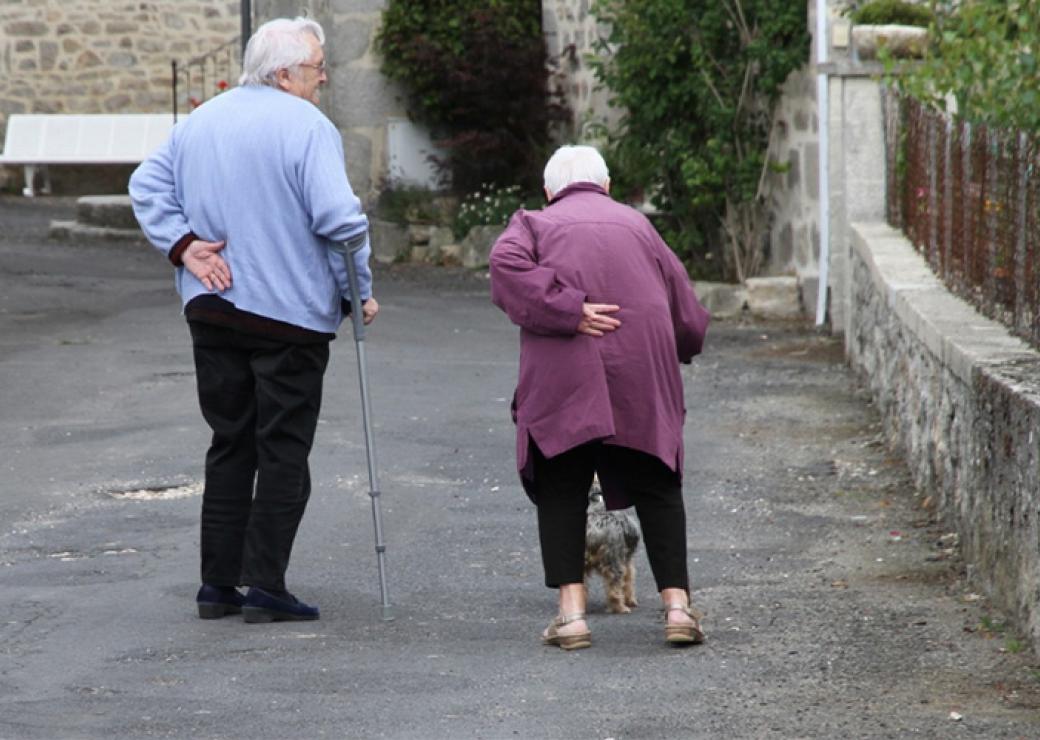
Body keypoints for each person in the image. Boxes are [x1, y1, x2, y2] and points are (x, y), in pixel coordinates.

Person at [129, 17, 378, 623]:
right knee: (284, 449)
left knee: (231, 442)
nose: (323, 78)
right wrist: (357, 293)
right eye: (318, 67)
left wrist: (185, 245)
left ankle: (218, 585)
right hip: (288, 315)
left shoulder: (203, 119)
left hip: (212, 307)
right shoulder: (309, 127)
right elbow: (341, 223)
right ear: (286, 73)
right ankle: (266, 585)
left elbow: (145, 185)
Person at [488, 145, 710, 649]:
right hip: (641, 369)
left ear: (550, 191)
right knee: (656, 481)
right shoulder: (638, 226)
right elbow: (687, 309)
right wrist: (683, 345)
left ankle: (572, 617)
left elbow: (504, 265)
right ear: (606, 185)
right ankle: (677, 609)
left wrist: (567, 309)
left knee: (562, 482)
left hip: (566, 372)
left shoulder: (533, 224)